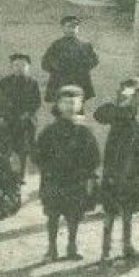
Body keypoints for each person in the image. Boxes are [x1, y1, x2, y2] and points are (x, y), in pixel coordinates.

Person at [33, 85, 100, 262]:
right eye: (65, 102)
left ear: (80, 105)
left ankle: (72, 246)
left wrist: (86, 172)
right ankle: (52, 248)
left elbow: (94, 158)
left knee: (74, 214)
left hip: (75, 181)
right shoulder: (50, 131)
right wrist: (49, 168)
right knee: (53, 215)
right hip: (54, 180)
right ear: (58, 105)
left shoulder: (85, 132)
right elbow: (38, 155)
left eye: (74, 102)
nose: (70, 106)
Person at [93, 77, 139, 264]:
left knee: (129, 209)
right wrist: (122, 104)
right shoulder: (116, 111)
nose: (138, 98)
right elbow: (99, 115)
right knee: (110, 209)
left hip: (135, 170)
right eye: (134, 94)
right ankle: (106, 250)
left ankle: (127, 245)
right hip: (115, 168)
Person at [0, 53, 42, 180]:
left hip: (24, 120)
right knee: (4, 148)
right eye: (16, 65)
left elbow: (36, 102)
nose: (19, 68)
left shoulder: (32, 83)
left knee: (23, 149)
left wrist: (28, 114)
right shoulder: (4, 82)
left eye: (23, 65)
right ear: (12, 67)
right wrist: (2, 115)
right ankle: (4, 173)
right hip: (7, 119)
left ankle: (21, 174)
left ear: (28, 67)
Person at [41, 16, 100, 102]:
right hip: (60, 80)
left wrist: (82, 67)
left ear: (78, 28)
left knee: (78, 105)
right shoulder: (56, 45)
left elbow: (94, 60)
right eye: (68, 27)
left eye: (74, 27)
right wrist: (57, 68)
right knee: (60, 106)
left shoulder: (85, 45)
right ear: (63, 28)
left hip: (79, 80)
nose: (72, 30)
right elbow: (45, 62)